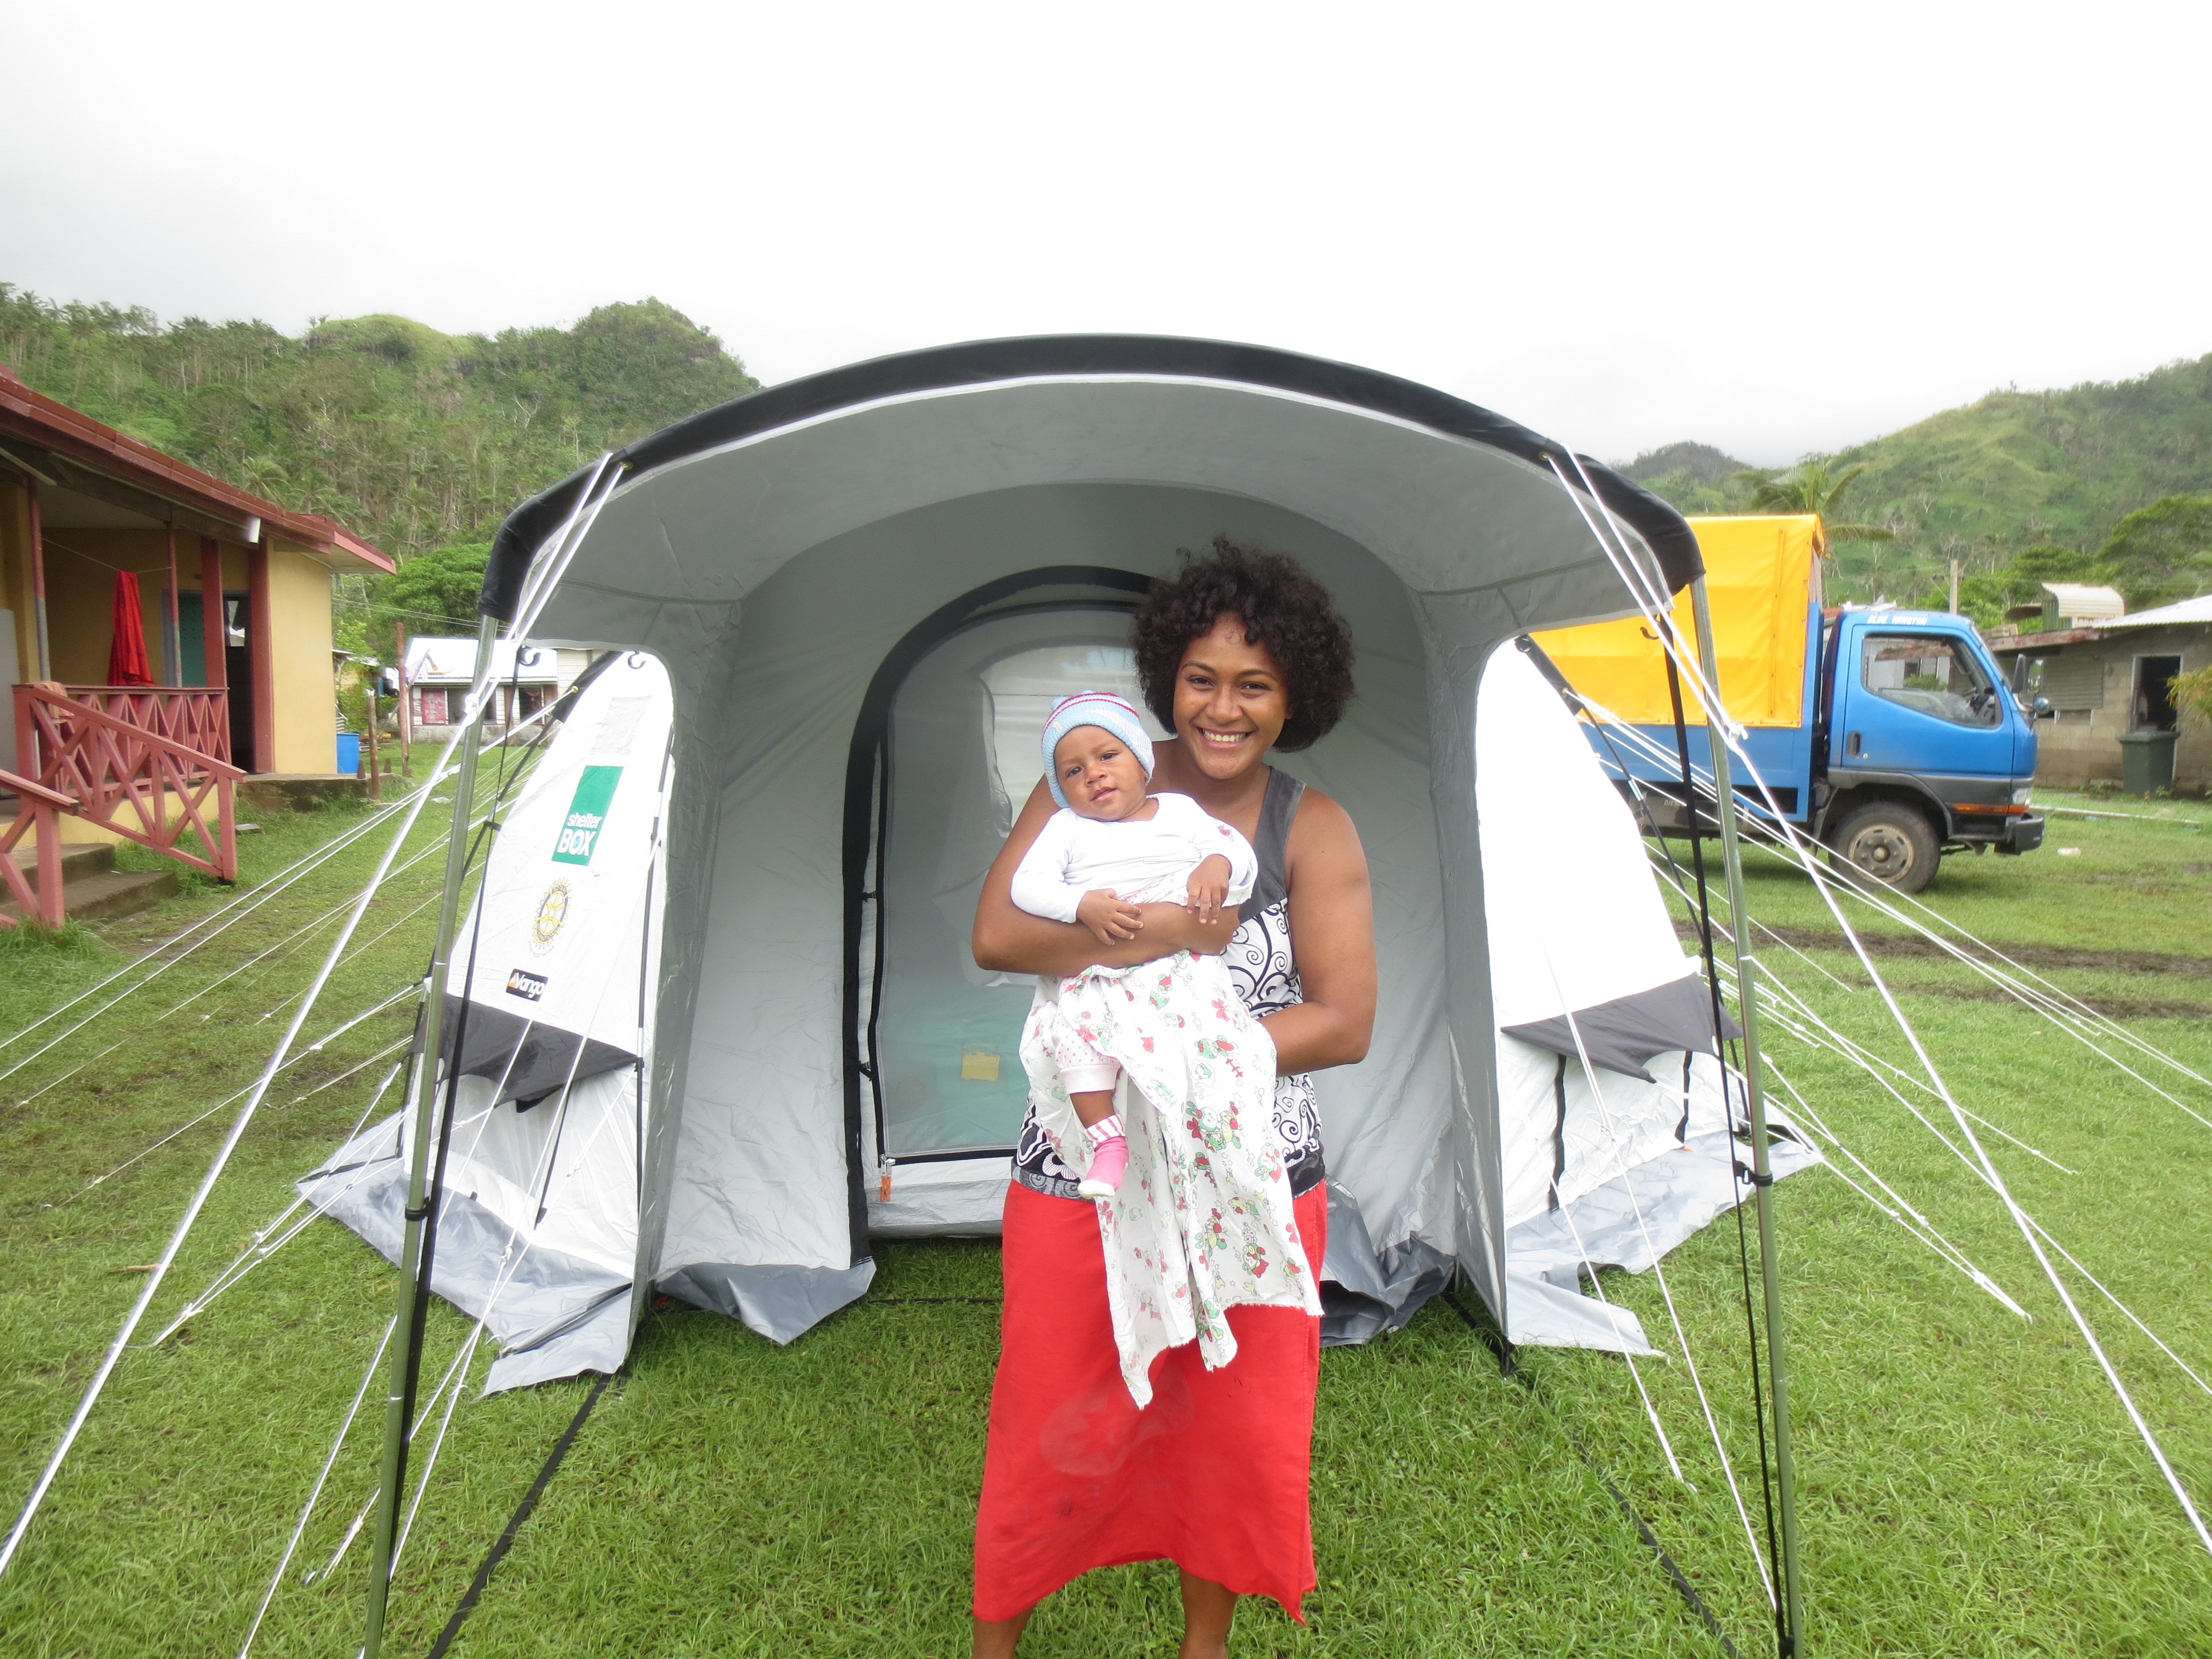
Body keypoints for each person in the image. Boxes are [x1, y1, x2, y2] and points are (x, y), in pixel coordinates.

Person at [971, 538, 1377, 1659]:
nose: (1224, 708)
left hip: (1249, 1173)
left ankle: (1205, 1646)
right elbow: (999, 931)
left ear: (1296, 695)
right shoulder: (1095, 775)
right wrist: (1161, 940)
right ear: (1166, 680)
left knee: (1232, 1429)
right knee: (1050, 1408)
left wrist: (1188, 1060)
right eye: (1202, 677)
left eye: (1255, 684)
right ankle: (996, 1643)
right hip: (1083, 1172)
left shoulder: (1314, 828)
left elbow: (1343, 1022)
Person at [1009, 689, 1318, 1408]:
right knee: (1074, 1031)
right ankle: (1107, 1137)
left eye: (1108, 756)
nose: (1094, 776)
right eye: (1074, 771)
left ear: (1141, 760)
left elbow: (1232, 863)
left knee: (1207, 1046)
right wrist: (1081, 906)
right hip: (1101, 967)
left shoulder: (1180, 815)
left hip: (1176, 978)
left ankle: (1212, 1149)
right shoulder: (1065, 832)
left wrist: (1216, 866)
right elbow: (1026, 886)